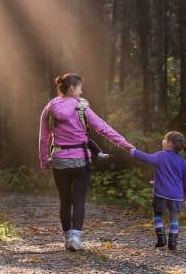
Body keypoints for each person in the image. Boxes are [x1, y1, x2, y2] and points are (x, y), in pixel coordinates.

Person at [39, 72, 133, 251]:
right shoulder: (82, 108)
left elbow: (43, 138)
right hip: (81, 161)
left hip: (59, 161)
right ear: (72, 88)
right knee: (79, 199)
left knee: (65, 200)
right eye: (80, 87)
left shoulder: (49, 107)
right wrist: (125, 144)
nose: (81, 92)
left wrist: (44, 160)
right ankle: (76, 238)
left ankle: (67, 238)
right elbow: (103, 128)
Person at [129, 131, 186, 251]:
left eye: (164, 139)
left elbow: (145, 157)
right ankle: (173, 243)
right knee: (174, 218)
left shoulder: (160, 156)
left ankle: (161, 237)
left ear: (168, 144)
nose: (162, 141)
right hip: (177, 196)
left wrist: (133, 151)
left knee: (158, 214)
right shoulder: (182, 161)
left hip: (161, 194)